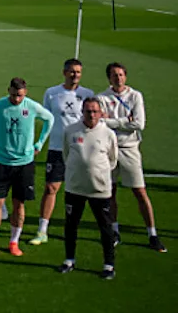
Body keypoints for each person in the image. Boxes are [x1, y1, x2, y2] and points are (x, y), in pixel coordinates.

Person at [0, 77, 53, 256]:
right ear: (9, 90)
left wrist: (39, 143)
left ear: (25, 93)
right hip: (2, 162)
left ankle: (14, 242)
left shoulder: (31, 106)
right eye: (15, 95)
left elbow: (49, 119)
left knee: (19, 204)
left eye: (21, 96)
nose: (17, 99)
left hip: (24, 164)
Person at [98, 62, 165, 252]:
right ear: (109, 78)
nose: (118, 78)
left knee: (140, 191)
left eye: (120, 74)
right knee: (109, 193)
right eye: (114, 75)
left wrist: (113, 121)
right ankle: (114, 230)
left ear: (125, 76)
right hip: (109, 149)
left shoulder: (135, 96)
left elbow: (139, 124)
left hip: (129, 148)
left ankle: (152, 233)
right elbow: (100, 123)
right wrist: (124, 121)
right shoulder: (102, 97)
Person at [32, 59, 95, 245]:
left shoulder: (87, 95)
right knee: (51, 188)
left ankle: (73, 228)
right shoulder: (52, 93)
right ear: (64, 72)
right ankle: (42, 230)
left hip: (79, 149)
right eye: (72, 71)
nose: (75, 75)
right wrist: (40, 143)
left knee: (80, 190)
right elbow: (46, 119)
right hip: (57, 147)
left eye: (78, 72)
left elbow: (92, 120)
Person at [57, 98, 119, 279]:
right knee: (71, 225)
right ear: (82, 112)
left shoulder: (108, 134)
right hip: (75, 187)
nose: (91, 115)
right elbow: (66, 154)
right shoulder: (71, 131)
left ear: (100, 113)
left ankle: (108, 265)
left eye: (94, 111)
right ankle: (69, 260)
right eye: (87, 111)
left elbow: (112, 160)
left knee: (105, 227)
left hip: (99, 189)